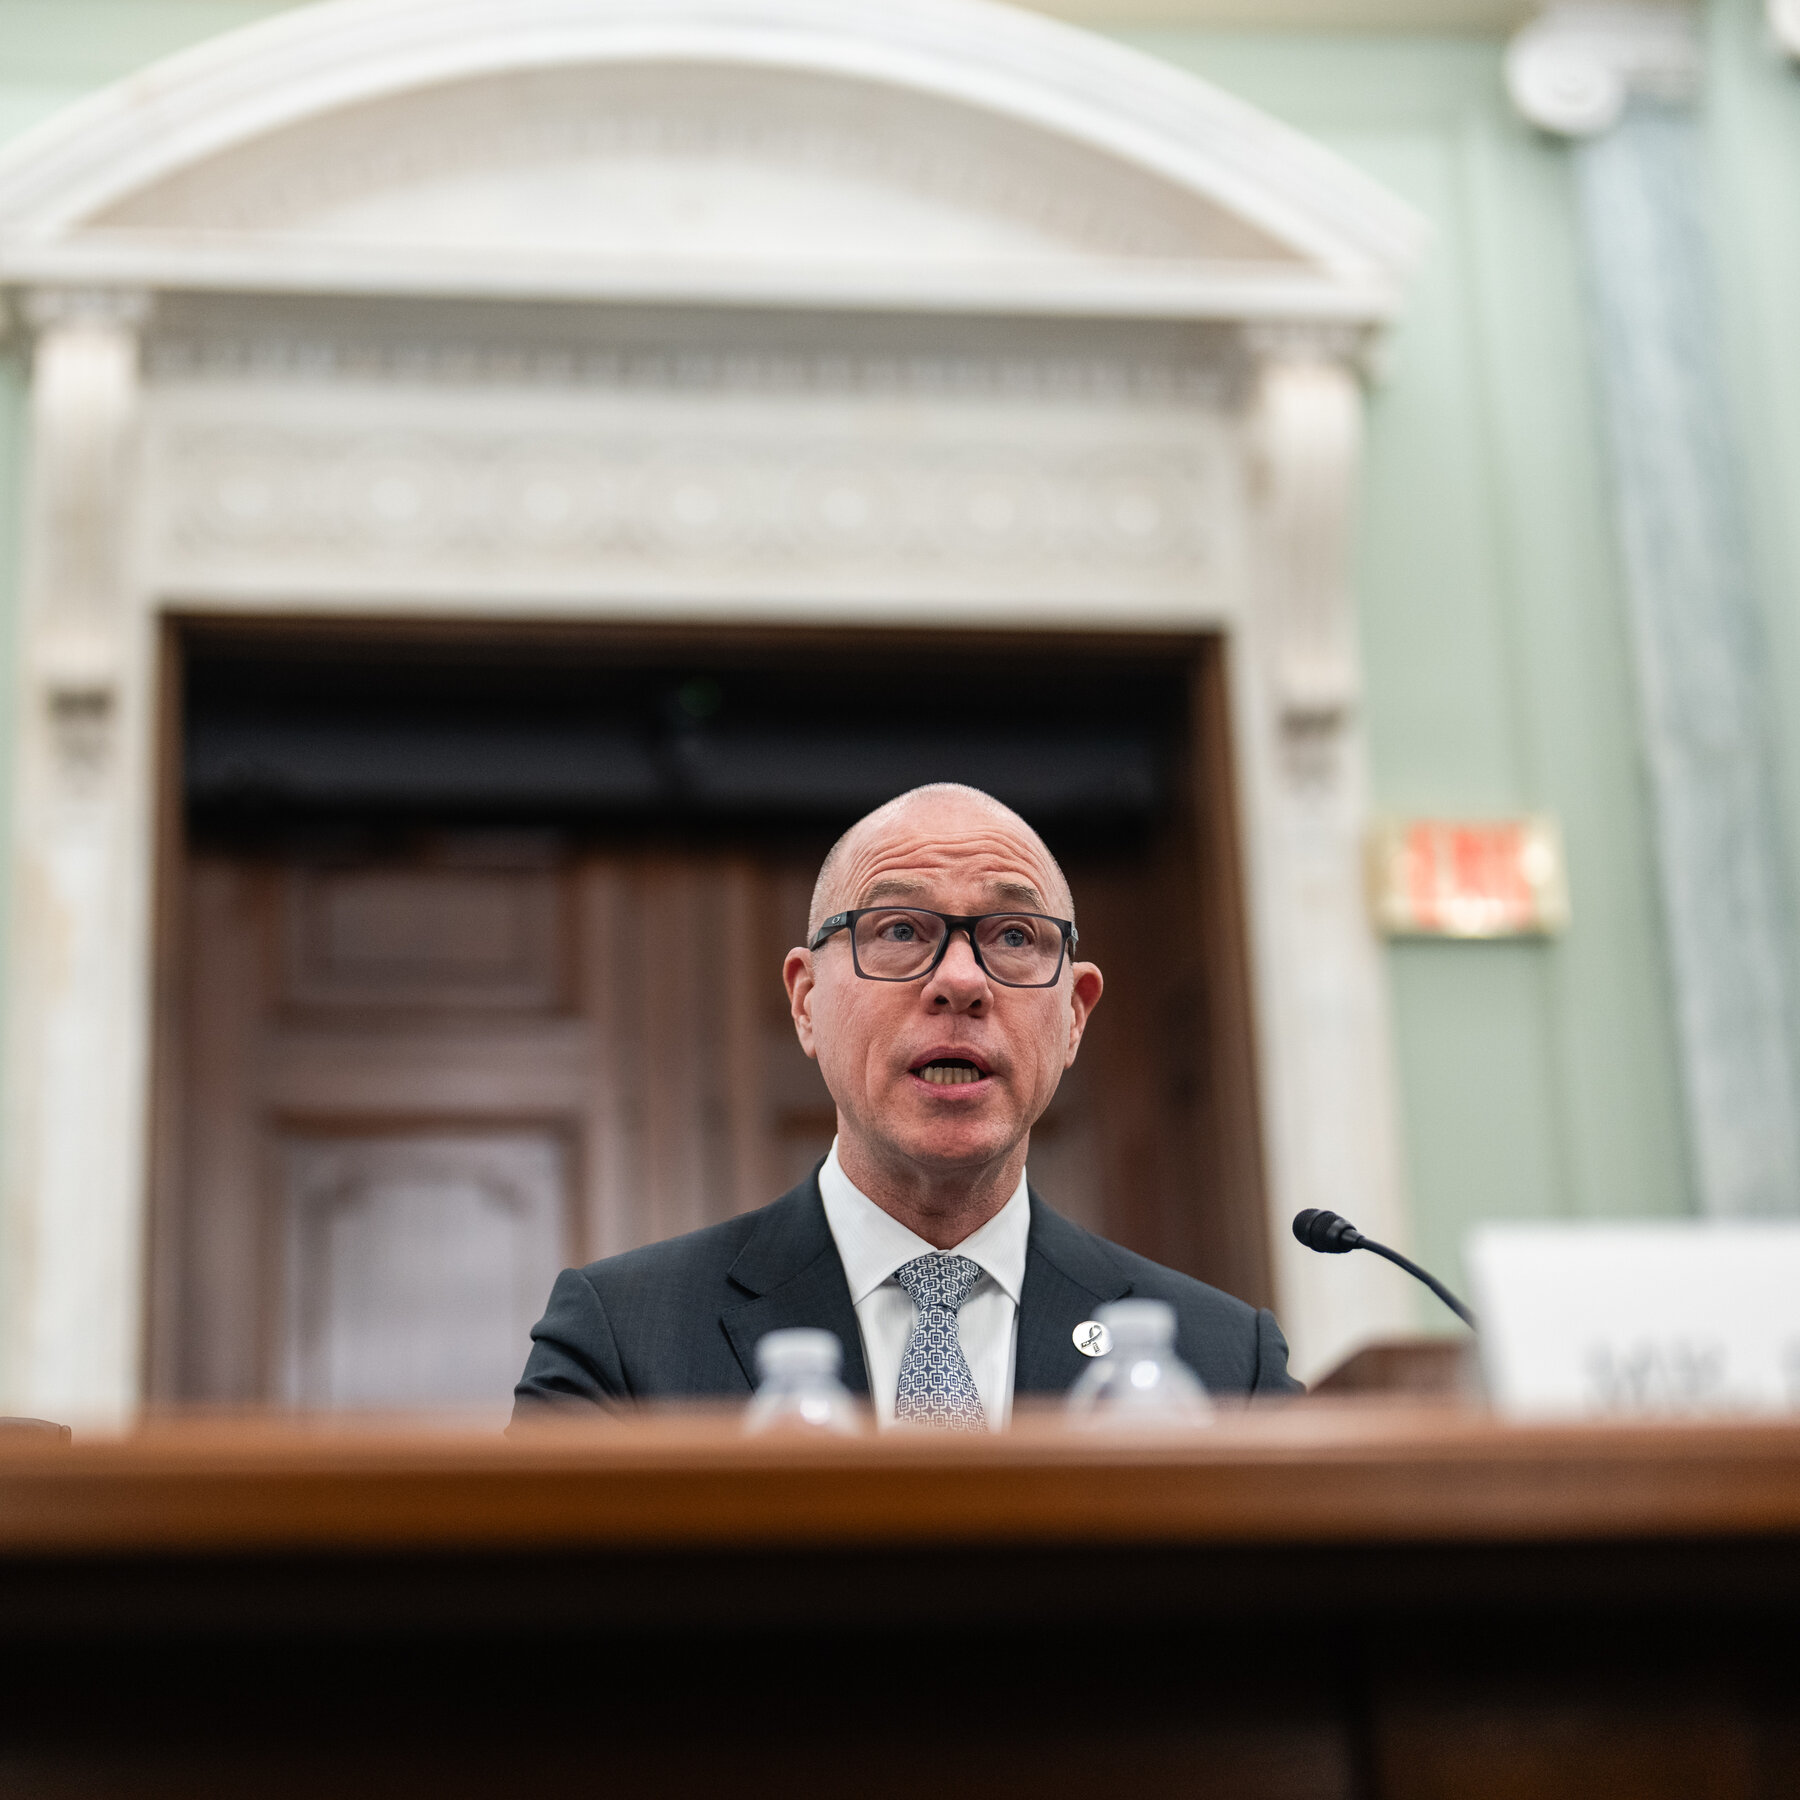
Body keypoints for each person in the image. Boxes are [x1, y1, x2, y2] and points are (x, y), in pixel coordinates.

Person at [514, 783, 1300, 1425]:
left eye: (1014, 936)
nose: (960, 980)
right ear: (806, 1002)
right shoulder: (621, 1340)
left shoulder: (1228, 1365)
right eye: (898, 929)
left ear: (1075, 1015)